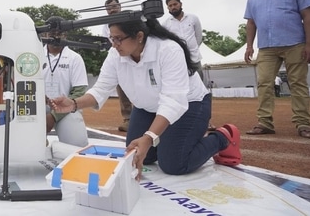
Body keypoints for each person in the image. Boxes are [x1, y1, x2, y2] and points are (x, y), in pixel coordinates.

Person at [50, 17, 241, 180]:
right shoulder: (115, 54)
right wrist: (73, 104)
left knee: (174, 164)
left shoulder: (168, 50)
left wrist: (149, 137)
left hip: (189, 104)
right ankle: (167, 140)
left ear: (139, 36)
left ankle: (222, 137)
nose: (114, 45)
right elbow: (100, 89)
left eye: (118, 39)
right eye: (111, 39)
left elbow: (173, 101)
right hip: (147, 108)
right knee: (139, 154)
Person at [244, 0, 310, 139]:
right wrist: (249, 45)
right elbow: (251, 23)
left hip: (295, 44)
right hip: (266, 47)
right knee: (264, 83)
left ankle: (303, 123)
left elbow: (308, 16)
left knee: (298, 83)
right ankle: (265, 122)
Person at [162, 0, 215, 131]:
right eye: (170, 5)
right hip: (177, 62)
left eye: (175, 4)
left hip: (194, 59)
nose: (173, 7)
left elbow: (198, 38)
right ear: (167, 8)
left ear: (180, 4)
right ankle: (181, 121)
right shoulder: (166, 23)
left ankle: (205, 122)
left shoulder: (193, 18)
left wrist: (190, 51)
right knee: (179, 91)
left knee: (201, 92)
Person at [42, 17, 89, 147]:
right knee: (29, 146)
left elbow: (79, 92)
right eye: (52, 33)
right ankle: (40, 140)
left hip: (66, 109)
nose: (56, 37)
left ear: (65, 34)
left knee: (77, 146)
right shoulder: (35, 55)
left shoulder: (75, 58)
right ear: (45, 34)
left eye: (60, 33)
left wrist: (53, 116)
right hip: (38, 107)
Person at [103, 0, 133, 132]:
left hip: (135, 57)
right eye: (109, 8)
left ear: (120, 7)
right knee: (122, 90)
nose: (112, 10)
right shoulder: (104, 25)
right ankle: (128, 119)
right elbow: (109, 44)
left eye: (114, 6)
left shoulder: (129, 19)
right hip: (118, 59)